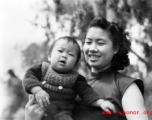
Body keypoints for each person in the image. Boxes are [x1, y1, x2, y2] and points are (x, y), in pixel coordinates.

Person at [24, 17, 149, 120]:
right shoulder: (74, 86)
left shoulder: (126, 85)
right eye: (88, 42)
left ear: (115, 48)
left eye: (100, 43)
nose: (92, 48)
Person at [22, 36, 115, 120]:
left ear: (75, 63)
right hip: (39, 109)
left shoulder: (76, 78)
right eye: (60, 51)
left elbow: (87, 93)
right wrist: (37, 90)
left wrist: (101, 103)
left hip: (62, 113)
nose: (64, 55)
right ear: (49, 56)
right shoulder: (42, 68)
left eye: (70, 54)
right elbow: (28, 77)